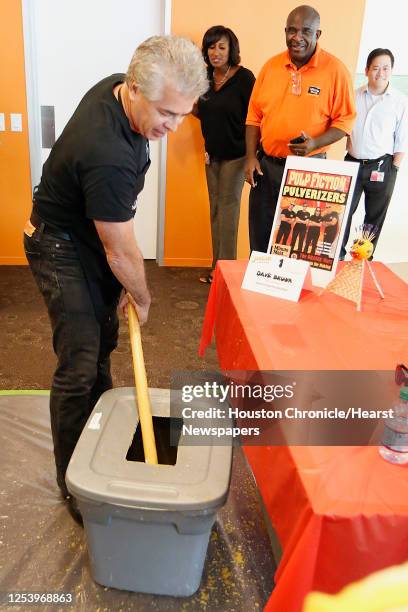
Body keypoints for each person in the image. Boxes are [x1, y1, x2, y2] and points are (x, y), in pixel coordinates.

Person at [23, 36, 208, 522]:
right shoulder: (107, 152)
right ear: (134, 89)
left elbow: (112, 242)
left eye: (184, 114)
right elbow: (120, 249)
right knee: (80, 363)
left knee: (102, 341)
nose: (173, 125)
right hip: (59, 244)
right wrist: (142, 297)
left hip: (86, 235)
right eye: (166, 113)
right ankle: (75, 485)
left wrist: (121, 283)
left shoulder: (118, 94)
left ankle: (98, 441)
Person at [245, 4, 356, 253]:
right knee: (261, 240)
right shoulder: (270, 67)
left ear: (318, 34)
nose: (297, 38)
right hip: (267, 168)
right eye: (292, 30)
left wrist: (315, 143)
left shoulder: (336, 71)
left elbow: (345, 121)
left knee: (300, 245)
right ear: (285, 31)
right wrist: (251, 157)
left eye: (306, 31)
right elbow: (253, 116)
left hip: (310, 170)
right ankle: (261, 289)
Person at [193, 25, 255, 283]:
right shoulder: (204, 78)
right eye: (211, 46)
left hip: (237, 155)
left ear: (231, 50)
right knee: (216, 210)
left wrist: (254, 154)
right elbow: (199, 110)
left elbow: (256, 117)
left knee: (228, 210)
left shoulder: (244, 78)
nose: (216, 52)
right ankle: (216, 266)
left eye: (221, 46)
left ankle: (224, 273)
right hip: (212, 155)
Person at [340, 48, 408, 259]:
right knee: (342, 214)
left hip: (382, 166)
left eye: (386, 68)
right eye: (376, 68)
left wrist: (394, 168)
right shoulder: (353, 96)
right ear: (367, 70)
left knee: (373, 219)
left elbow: (403, 139)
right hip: (351, 163)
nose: (380, 73)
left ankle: (362, 260)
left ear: (391, 70)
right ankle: (338, 258)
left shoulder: (400, 102)